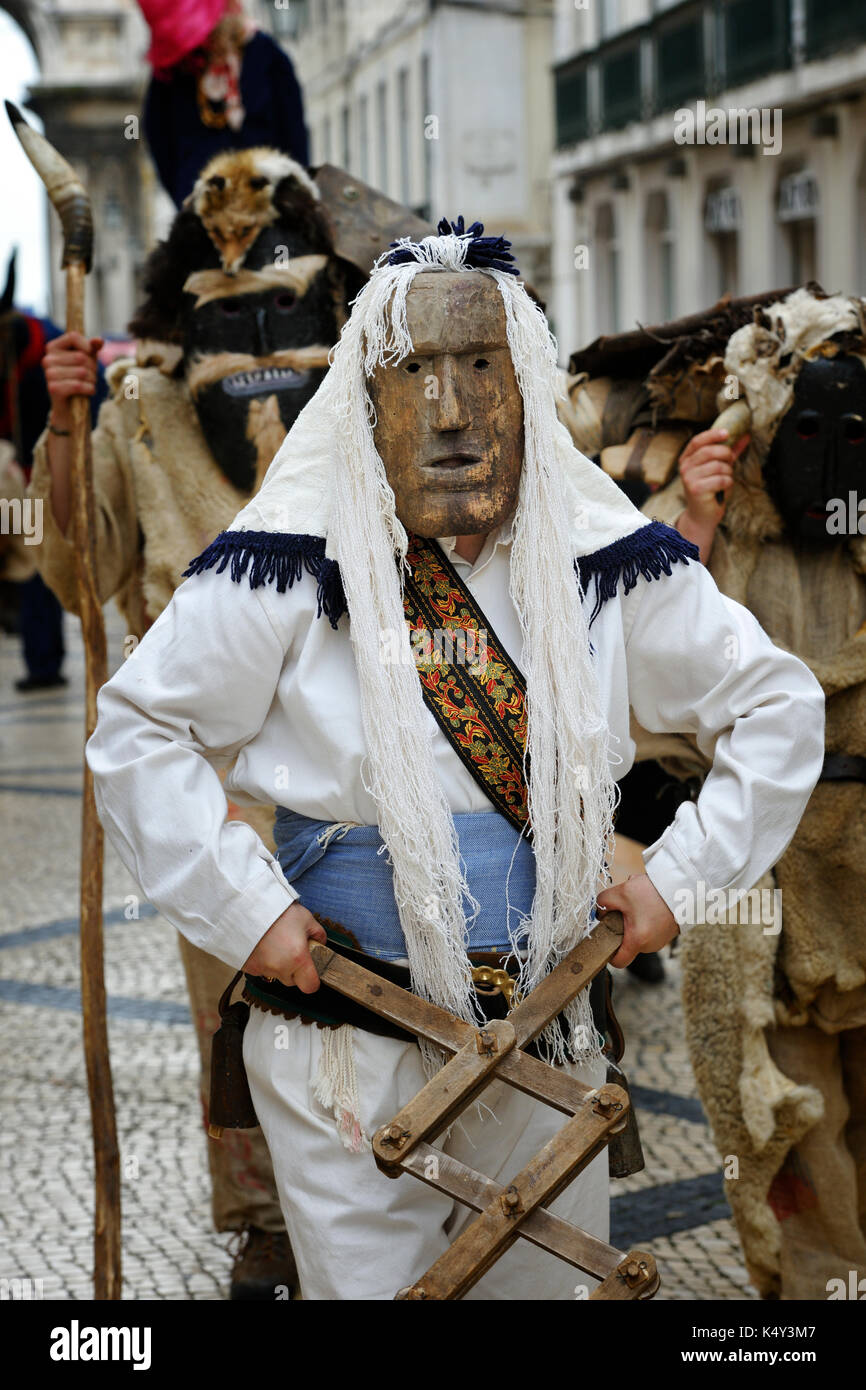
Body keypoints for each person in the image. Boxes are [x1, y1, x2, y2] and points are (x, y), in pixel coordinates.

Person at [85, 221, 824, 1300]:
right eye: (413, 370)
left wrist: (677, 878)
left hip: (549, 1027)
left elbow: (773, 704)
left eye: (478, 367)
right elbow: (139, 731)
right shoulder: (288, 563)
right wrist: (245, 909)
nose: (448, 409)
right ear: (365, 397)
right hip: (342, 1033)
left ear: (523, 381)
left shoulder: (602, 561)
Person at [28, 149, 420, 1298]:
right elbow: (78, 574)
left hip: (365, 738)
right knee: (242, 1001)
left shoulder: (368, 385)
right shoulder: (139, 402)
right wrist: (62, 432)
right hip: (214, 768)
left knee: (400, 978)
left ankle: (417, 1183)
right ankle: (268, 1220)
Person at [646, 286, 866, 1300]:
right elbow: (636, 644)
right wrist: (693, 517)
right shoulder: (720, 516)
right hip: (759, 862)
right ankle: (816, 1295)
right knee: (782, 1108)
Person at [139, 0, 309, 207]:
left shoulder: (266, 55)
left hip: (270, 204)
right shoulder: (171, 76)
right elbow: (159, 140)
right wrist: (184, 196)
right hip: (203, 209)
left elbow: (293, 132)